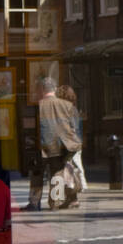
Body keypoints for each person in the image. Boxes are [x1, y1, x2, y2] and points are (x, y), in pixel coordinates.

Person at [22, 78, 82, 211]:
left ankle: (34, 203)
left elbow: (30, 127)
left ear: (42, 89)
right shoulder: (67, 105)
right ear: (54, 89)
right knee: (57, 173)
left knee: (36, 175)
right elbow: (74, 127)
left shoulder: (37, 106)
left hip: (40, 146)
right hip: (60, 146)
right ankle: (55, 203)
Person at [57, 85, 87, 194]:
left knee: (74, 164)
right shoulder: (73, 108)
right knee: (76, 163)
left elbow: (72, 127)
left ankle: (80, 185)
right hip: (76, 140)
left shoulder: (68, 109)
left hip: (71, 141)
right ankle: (79, 184)